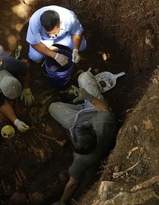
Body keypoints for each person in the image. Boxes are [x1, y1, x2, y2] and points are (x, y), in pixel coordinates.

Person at [48, 71, 118, 204]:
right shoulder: (104, 121)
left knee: (53, 107)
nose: (72, 132)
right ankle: (82, 102)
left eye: (73, 132)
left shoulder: (81, 161)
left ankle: (76, 108)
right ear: (92, 131)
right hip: (95, 109)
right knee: (84, 77)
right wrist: (88, 97)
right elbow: (104, 108)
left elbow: (72, 184)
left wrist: (62, 202)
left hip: (80, 117)